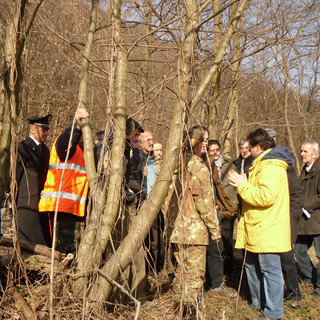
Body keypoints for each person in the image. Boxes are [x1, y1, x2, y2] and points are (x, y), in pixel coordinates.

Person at [228, 128, 293, 320]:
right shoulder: (261, 164)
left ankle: (273, 313)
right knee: (252, 267)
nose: (247, 150)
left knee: (269, 270)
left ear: (258, 146)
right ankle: (259, 305)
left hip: (267, 229)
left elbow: (265, 197)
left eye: (250, 146)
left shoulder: (271, 166)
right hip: (257, 227)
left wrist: (243, 185)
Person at [170, 126, 221, 317]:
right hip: (195, 230)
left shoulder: (178, 162)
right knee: (194, 275)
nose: (206, 144)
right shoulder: (198, 167)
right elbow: (205, 203)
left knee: (181, 273)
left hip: (178, 229)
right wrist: (214, 229)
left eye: (208, 140)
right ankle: (189, 313)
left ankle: (178, 311)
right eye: (204, 140)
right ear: (196, 142)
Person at [38, 109, 89, 254]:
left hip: (72, 208)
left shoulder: (83, 152)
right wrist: (77, 126)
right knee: (63, 251)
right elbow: (66, 145)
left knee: (71, 249)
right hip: (60, 207)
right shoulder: (63, 141)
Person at [16, 114, 52, 246]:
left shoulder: (46, 150)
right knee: (27, 242)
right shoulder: (22, 147)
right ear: (33, 130)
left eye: (47, 130)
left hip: (42, 203)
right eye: (44, 130)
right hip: (26, 203)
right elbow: (15, 177)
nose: (46, 133)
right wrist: (13, 201)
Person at [208, 139, 238, 276]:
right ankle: (216, 272)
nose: (214, 152)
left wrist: (233, 206)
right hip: (213, 209)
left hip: (227, 209)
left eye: (217, 149)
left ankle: (229, 272)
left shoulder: (229, 166)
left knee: (227, 241)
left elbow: (235, 188)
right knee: (215, 244)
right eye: (211, 150)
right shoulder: (206, 165)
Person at [295, 141, 320, 297]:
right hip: (305, 220)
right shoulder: (304, 169)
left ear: (315, 154)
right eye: (301, 151)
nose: (302, 153)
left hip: (317, 220)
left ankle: (319, 288)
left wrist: (305, 204)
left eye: (305, 151)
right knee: (299, 250)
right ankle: (311, 278)